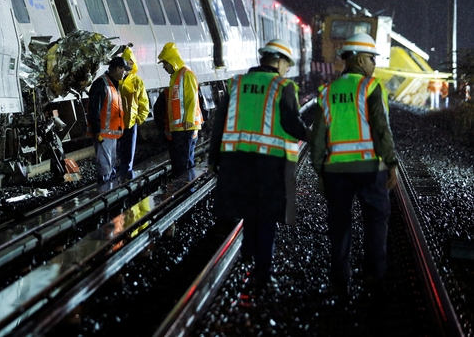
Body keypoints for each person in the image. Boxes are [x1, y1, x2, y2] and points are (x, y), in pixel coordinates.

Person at [208, 39, 311, 288]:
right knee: (266, 216)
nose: (287, 68)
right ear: (277, 60)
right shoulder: (282, 86)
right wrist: (313, 135)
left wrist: (214, 158)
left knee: (248, 211)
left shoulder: (237, 84)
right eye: (287, 63)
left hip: (236, 161)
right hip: (270, 163)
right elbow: (291, 123)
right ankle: (263, 272)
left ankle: (247, 255)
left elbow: (219, 123)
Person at [311, 32, 398, 297]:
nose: (374, 64)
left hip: (336, 171)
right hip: (370, 169)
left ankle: (340, 280)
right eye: (372, 58)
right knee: (376, 221)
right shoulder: (371, 88)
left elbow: (318, 137)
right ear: (360, 59)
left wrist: (320, 171)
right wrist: (391, 162)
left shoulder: (326, 92)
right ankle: (374, 277)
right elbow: (381, 130)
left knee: (339, 224)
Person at [157, 42, 203, 179]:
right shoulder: (176, 76)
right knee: (180, 163)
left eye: (165, 63)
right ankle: (183, 190)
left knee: (184, 164)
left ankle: (188, 191)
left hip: (186, 126)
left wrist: (189, 119)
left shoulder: (186, 74)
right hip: (179, 128)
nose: (164, 67)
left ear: (172, 61)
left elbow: (192, 98)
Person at [86, 57, 128, 183]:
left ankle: (109, 188)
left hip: (111, 134)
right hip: (102, 134)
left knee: (110, 164)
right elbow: (94, 109)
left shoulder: (113, 85)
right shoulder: (101, 84)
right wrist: (97, 131)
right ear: (117, 68)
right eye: (124, 70)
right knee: (104, 165)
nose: (125, 73)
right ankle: (104, 190)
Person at [118, 47, 150, 180]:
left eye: (131, 63)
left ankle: (126, 175)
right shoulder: (116, 80)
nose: (129, 66)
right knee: (118, 151)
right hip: (117, 123)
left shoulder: (137, 81)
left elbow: (143, 102)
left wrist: (139, 118)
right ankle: (120, 174)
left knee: (128, 152)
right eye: (127, 63)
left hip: (131, 123)